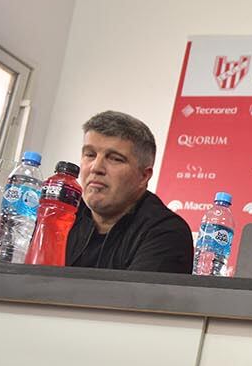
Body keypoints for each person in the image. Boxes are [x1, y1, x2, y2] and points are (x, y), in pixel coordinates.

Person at [65, 110, 193, 273]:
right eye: (90, 154)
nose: (96, 167)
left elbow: (129, 298)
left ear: (143, 176)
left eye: (115, 159)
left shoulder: (167, 233)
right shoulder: (59, 213)